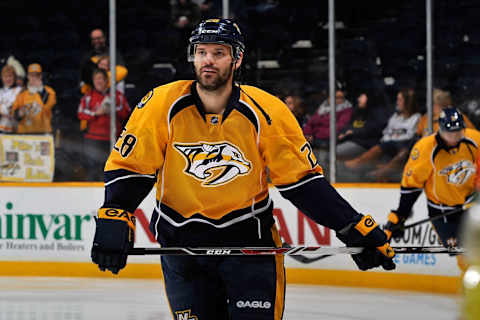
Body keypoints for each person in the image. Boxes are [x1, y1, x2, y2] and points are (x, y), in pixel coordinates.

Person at [90, 18, 395, 320]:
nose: (208, 60)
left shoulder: (268, 111)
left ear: (237, 58)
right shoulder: (160, 104)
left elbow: (301, 182)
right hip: (182, 247)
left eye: (218, 53)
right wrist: (116, 210)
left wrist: (350, 225)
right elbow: (132, 167)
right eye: (201, 52)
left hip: (250, 245)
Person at [384, 107, 480, 272]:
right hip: (443, 213)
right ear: (440, 130)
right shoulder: (425, 149)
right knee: (465, 255)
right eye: (450, 133)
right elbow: (411, 187)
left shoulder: (474, 139)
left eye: (459, 132)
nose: (455, 137)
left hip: (472, 205)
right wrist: (400, 215)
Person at [344, 89, 421, 182]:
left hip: (405, 145)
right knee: (380, 146)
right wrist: (391, 139)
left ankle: (382, 170)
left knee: (393, 148)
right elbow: (386, 132)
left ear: (408, 102)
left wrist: (394, 138)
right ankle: (359, 162)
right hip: (389, 144)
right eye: (397, 99)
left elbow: (411, 136)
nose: (397, 102)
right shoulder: (395, 116)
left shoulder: (416, 118)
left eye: (400, 100)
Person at [77, 68, 131, 181]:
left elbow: (126, 112)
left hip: (112, 138)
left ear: (106, 81)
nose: (98, 81)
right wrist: (96, 113)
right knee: (92, 169)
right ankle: (92, 194)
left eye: (101, 78)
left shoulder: (117, 96)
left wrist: (113, 110)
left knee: (111, 169)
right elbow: (81, 113)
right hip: (93, 139)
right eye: (96, 79)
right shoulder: (88, 96)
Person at [336, 91, 389, 161]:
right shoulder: (358, 111)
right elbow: (349, 125)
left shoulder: (378, 113)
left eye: (361, 97)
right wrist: (343, 133)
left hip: (365, 144)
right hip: (352, 140)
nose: (359, 99)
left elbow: (373, 130)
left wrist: (353, 132)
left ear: (369, 98)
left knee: (336, 153)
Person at [11, 63, 56, 134]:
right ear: (28, 76)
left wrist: (41, 90)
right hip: (25, 132)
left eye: (37, 75)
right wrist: (19, 113)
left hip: (43, 132)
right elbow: (14, 113)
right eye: (32, 75)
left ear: (41, 76)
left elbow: (49, 105)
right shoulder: (22, 93)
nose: (34, 78)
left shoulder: (49, 91)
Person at [80, 29, 126, 94]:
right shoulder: (87, 56)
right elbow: (83, 76)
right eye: (93, 39)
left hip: (111, 89)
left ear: (104, 38)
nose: (96, 41)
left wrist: (103, 81)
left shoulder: (113, 53)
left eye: (98, 38)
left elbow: (122, 71)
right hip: (92, 88)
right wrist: (96, 81)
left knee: (121, 83)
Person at [0, 65, 21, 132]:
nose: (8, 79)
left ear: (14, 77)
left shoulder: (19, 91)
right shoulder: (0, 91)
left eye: (10, 76)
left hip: (14, 128)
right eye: (5, 76)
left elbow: (14, 109)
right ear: (2, 78)